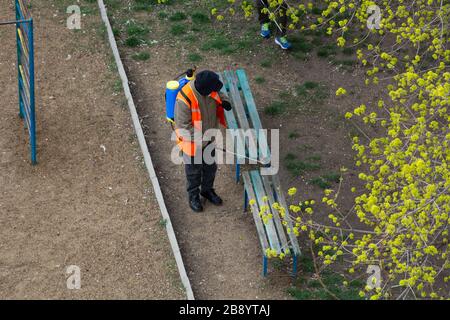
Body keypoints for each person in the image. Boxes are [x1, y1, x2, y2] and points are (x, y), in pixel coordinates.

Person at [174, 70, 232, 212]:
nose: (215, 91)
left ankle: (207, 190)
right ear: (205, 90)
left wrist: (225, 101)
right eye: (213, 89)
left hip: (210, 137)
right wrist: (204, 139)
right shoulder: (184, 99)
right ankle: (193, 196)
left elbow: (219, 94)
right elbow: (183, 128)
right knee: (193, 172)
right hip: (192, 144)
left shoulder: (209, 89)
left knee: (210, 168)